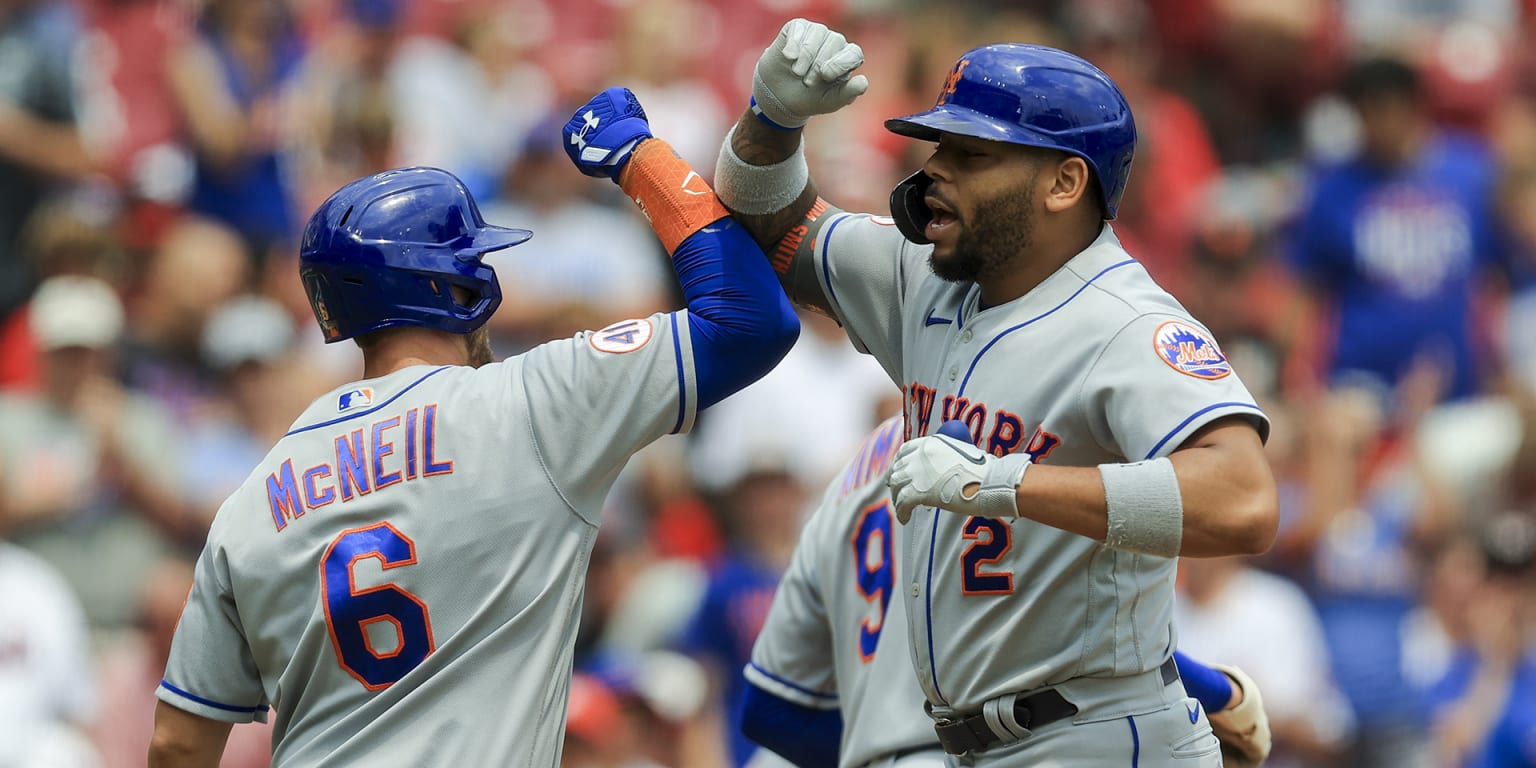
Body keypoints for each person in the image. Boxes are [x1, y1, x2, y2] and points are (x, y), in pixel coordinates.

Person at [147, 86, 799, 766]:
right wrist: (640, 157)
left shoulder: (254, 494)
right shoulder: (531, 404)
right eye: (476, 265)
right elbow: (751, 320)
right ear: (452, 289)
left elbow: (175, 743)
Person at [713, 19, 1278, 766]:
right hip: (975, 743)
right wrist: (772, 121)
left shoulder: (1125, 325)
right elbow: (770, 223)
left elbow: (1244, 500)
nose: (935, 169)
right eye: (939, 145)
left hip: (1099, 735)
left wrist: (1004, 483)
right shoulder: (925, 276)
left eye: (972, 153)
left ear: (1065, 182)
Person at [739, 416, 1272, 768]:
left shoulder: (851, 476)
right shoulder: (1005, 438)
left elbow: (769, 711)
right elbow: (1061, 641)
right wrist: (1220, 694)